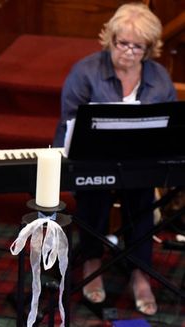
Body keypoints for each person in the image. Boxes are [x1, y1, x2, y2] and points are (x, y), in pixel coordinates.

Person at [53, 2, 177, 316]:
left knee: (143, 203)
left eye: (139, 47)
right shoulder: (86, 71)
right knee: (93, 200)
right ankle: (92, 260)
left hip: (140, 163)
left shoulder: (159, 77)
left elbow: (170, 126)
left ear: (150, 48)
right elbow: (68, 122)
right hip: (93, 161)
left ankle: (140, 272)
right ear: (110, 38)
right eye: (123, 43)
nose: (129, 52)